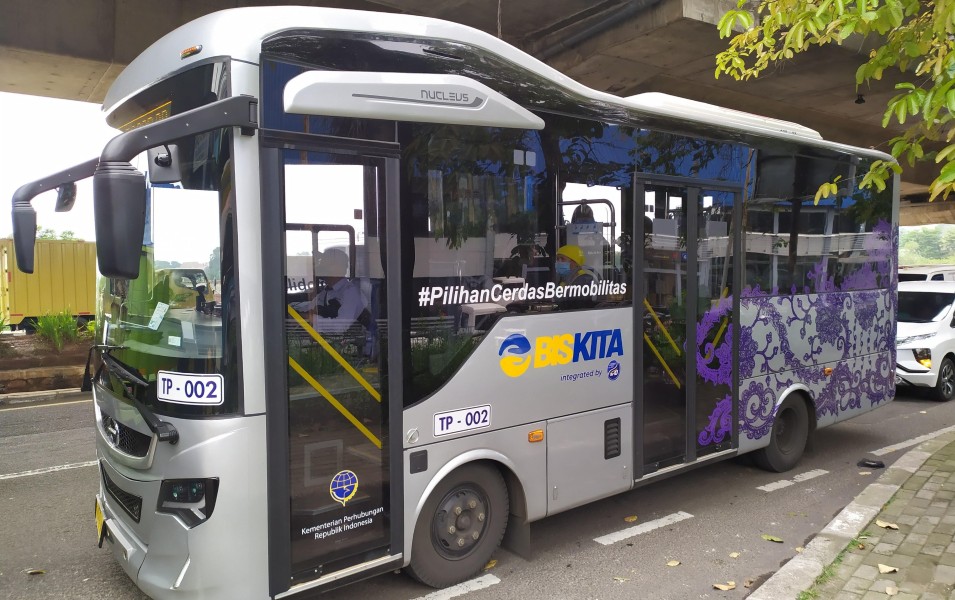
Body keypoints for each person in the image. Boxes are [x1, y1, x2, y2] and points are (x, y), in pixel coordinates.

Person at [300, 249, 367, 330]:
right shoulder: (326, 292)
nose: (321, 267)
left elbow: (340, 327)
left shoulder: (351, 292)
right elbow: (309, 306)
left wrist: (311, 318)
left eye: (324, 263)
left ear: (337, 267)